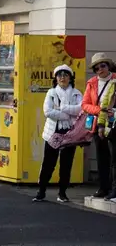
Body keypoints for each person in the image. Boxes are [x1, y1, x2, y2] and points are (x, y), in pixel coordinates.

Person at [34, 65, 83, 203]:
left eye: (66, 75)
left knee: (66, 164)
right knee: (49, 163)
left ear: (70, 78)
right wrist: (67, 114)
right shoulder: (51, 93)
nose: (62, 77)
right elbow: (48, 111)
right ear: (56, 78)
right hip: (53, 132)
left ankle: (62, 193)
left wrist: (62, 108)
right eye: (60, 75)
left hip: (70, 133)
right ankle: (41, 191)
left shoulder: (77, 93)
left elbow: (80, 109)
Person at [81, 52, 116, 199]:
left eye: (103, 65)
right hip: (98, 122)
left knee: (114, 156)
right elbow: (84, 105)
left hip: (113, 122)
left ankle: (114, 189)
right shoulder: (92, 83)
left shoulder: (115, 80)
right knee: (102, 157)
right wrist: (98, 110)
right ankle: (103, 187)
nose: (100, 69)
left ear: (108, 66)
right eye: (96, 68)